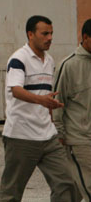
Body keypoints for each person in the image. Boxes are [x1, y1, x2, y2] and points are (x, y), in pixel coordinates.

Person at [0, 15, 77, 201]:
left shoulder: (49, 61)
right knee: (11, 192)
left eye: (51, 33)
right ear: (30, 34)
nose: (50, 38)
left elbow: (48, 97)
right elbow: (16, 90)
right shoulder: (19, 59)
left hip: (48, 136)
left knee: (67, 183)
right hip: (21, 136)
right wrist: (41, 100)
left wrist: (53, 119)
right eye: (45, 33)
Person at [53, 18, 91, 201]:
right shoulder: (68, 65)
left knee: (73, 191)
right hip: (79, 140)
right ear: (85, 37)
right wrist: (60, 135)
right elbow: (57, 103)